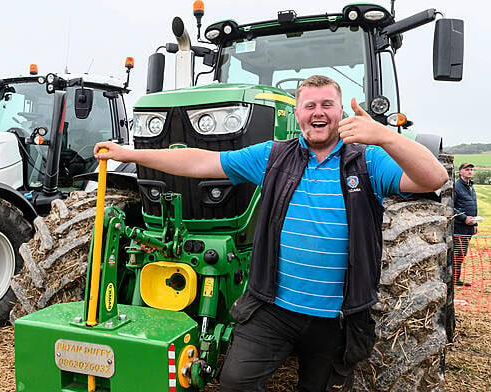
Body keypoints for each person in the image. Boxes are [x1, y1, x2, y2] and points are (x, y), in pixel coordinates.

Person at [94, 75, 448, 391]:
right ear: (297, 114)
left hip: (337, 317)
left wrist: (386, 136)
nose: (318, 113)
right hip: (274, 308)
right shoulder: (274, 156)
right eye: (309, 106)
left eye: (327, 104)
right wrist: (130, 153)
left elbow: (433, 179)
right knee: (234, 382)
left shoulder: (367, 161)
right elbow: (201, 161)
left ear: (341, 110)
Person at [453, 163, 478, 287]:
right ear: (460, 172)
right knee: (458, 252)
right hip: (460, 225)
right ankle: (453, 279)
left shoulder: (470, 186)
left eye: (471, 169)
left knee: (462, 252)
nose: (470, 171)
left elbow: (473, 205)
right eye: (467, 169)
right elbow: (450, 207)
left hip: (469, 226)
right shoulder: (456, 186)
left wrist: (475, 223)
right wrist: (463, 218)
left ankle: (456, 279)